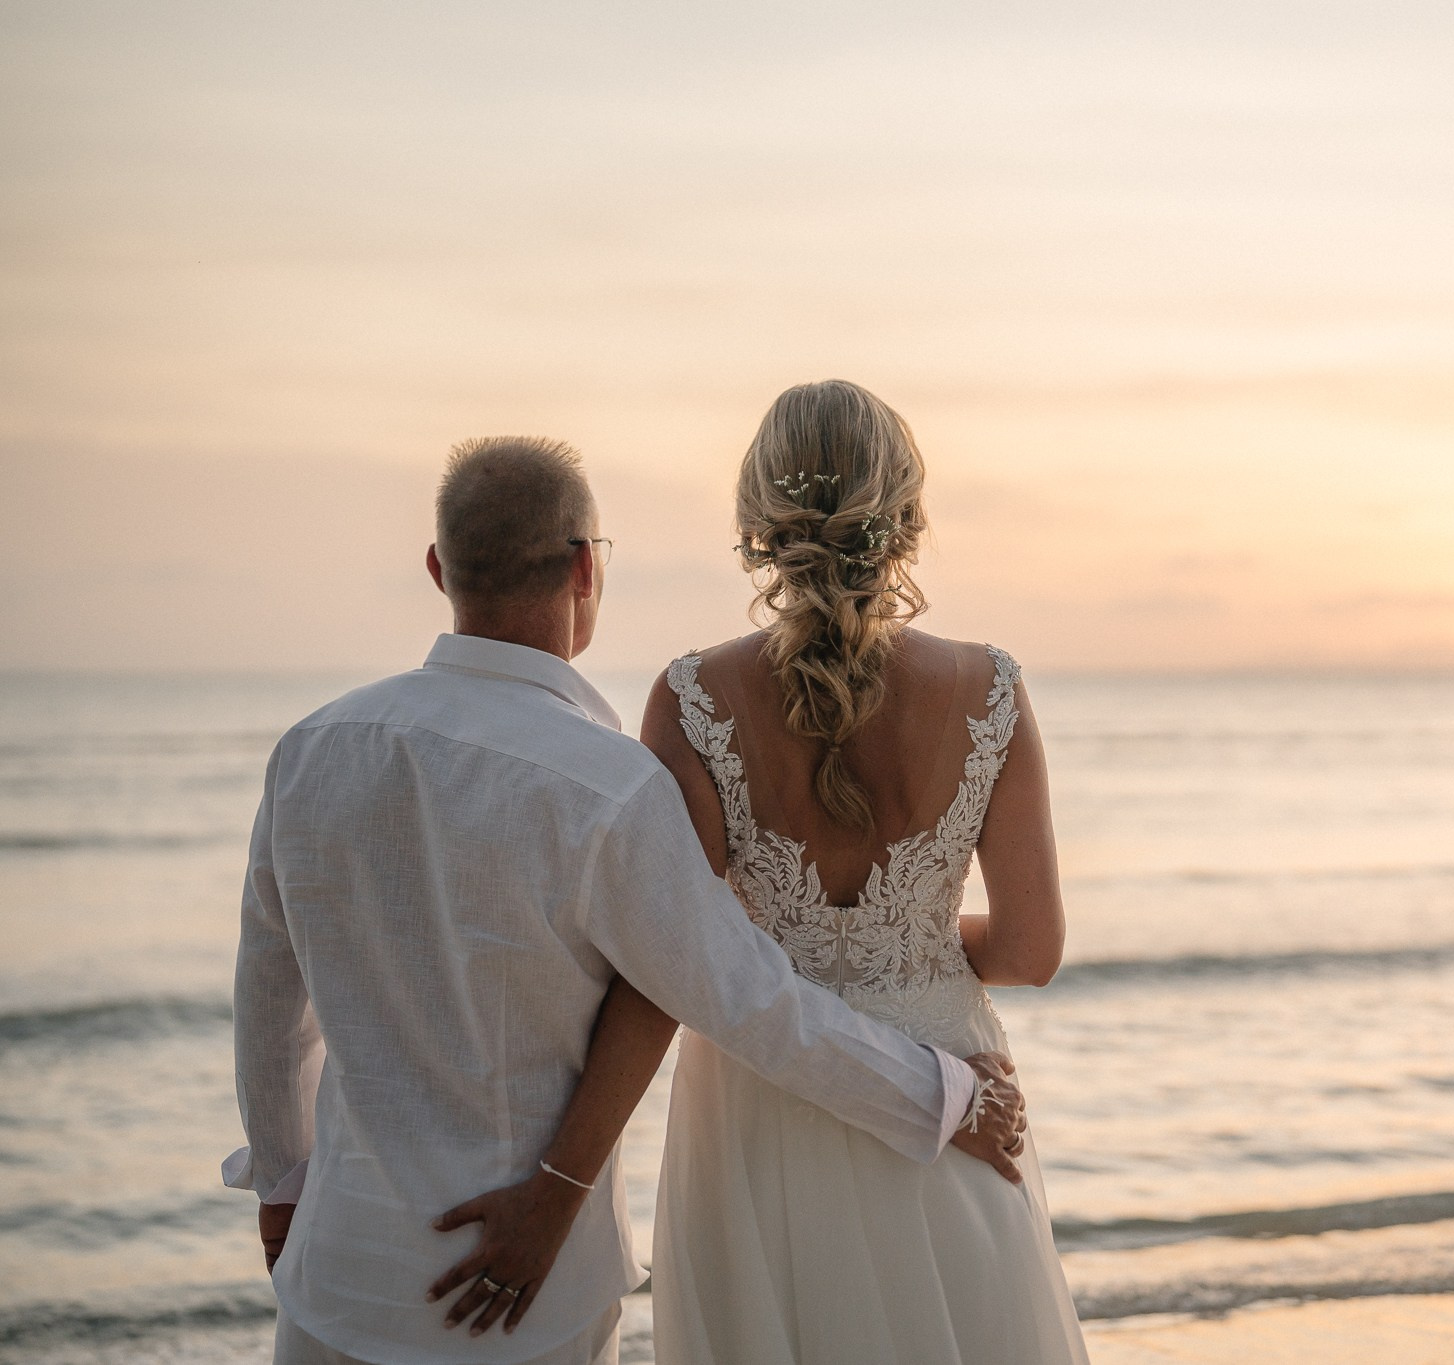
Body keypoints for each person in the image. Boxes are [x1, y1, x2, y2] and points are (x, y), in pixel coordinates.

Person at [226, 435, 1027, 1365]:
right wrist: (943, 1094)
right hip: (523, 1291)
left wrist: (281, 1185)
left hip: (338, 1277)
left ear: (440, 567)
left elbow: (271, 1004)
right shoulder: (607, 788)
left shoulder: (314, 749)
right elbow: (747, 998)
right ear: (582, 568)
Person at [453, 381, 1090, 1363]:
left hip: (757, 1112)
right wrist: (908, 942)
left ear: (757, 522)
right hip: (952, 1086)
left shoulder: (693, 697)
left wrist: (560, 1185)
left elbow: (663, 967)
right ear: (905, 515)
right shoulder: (989, 689)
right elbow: (1029, 950)